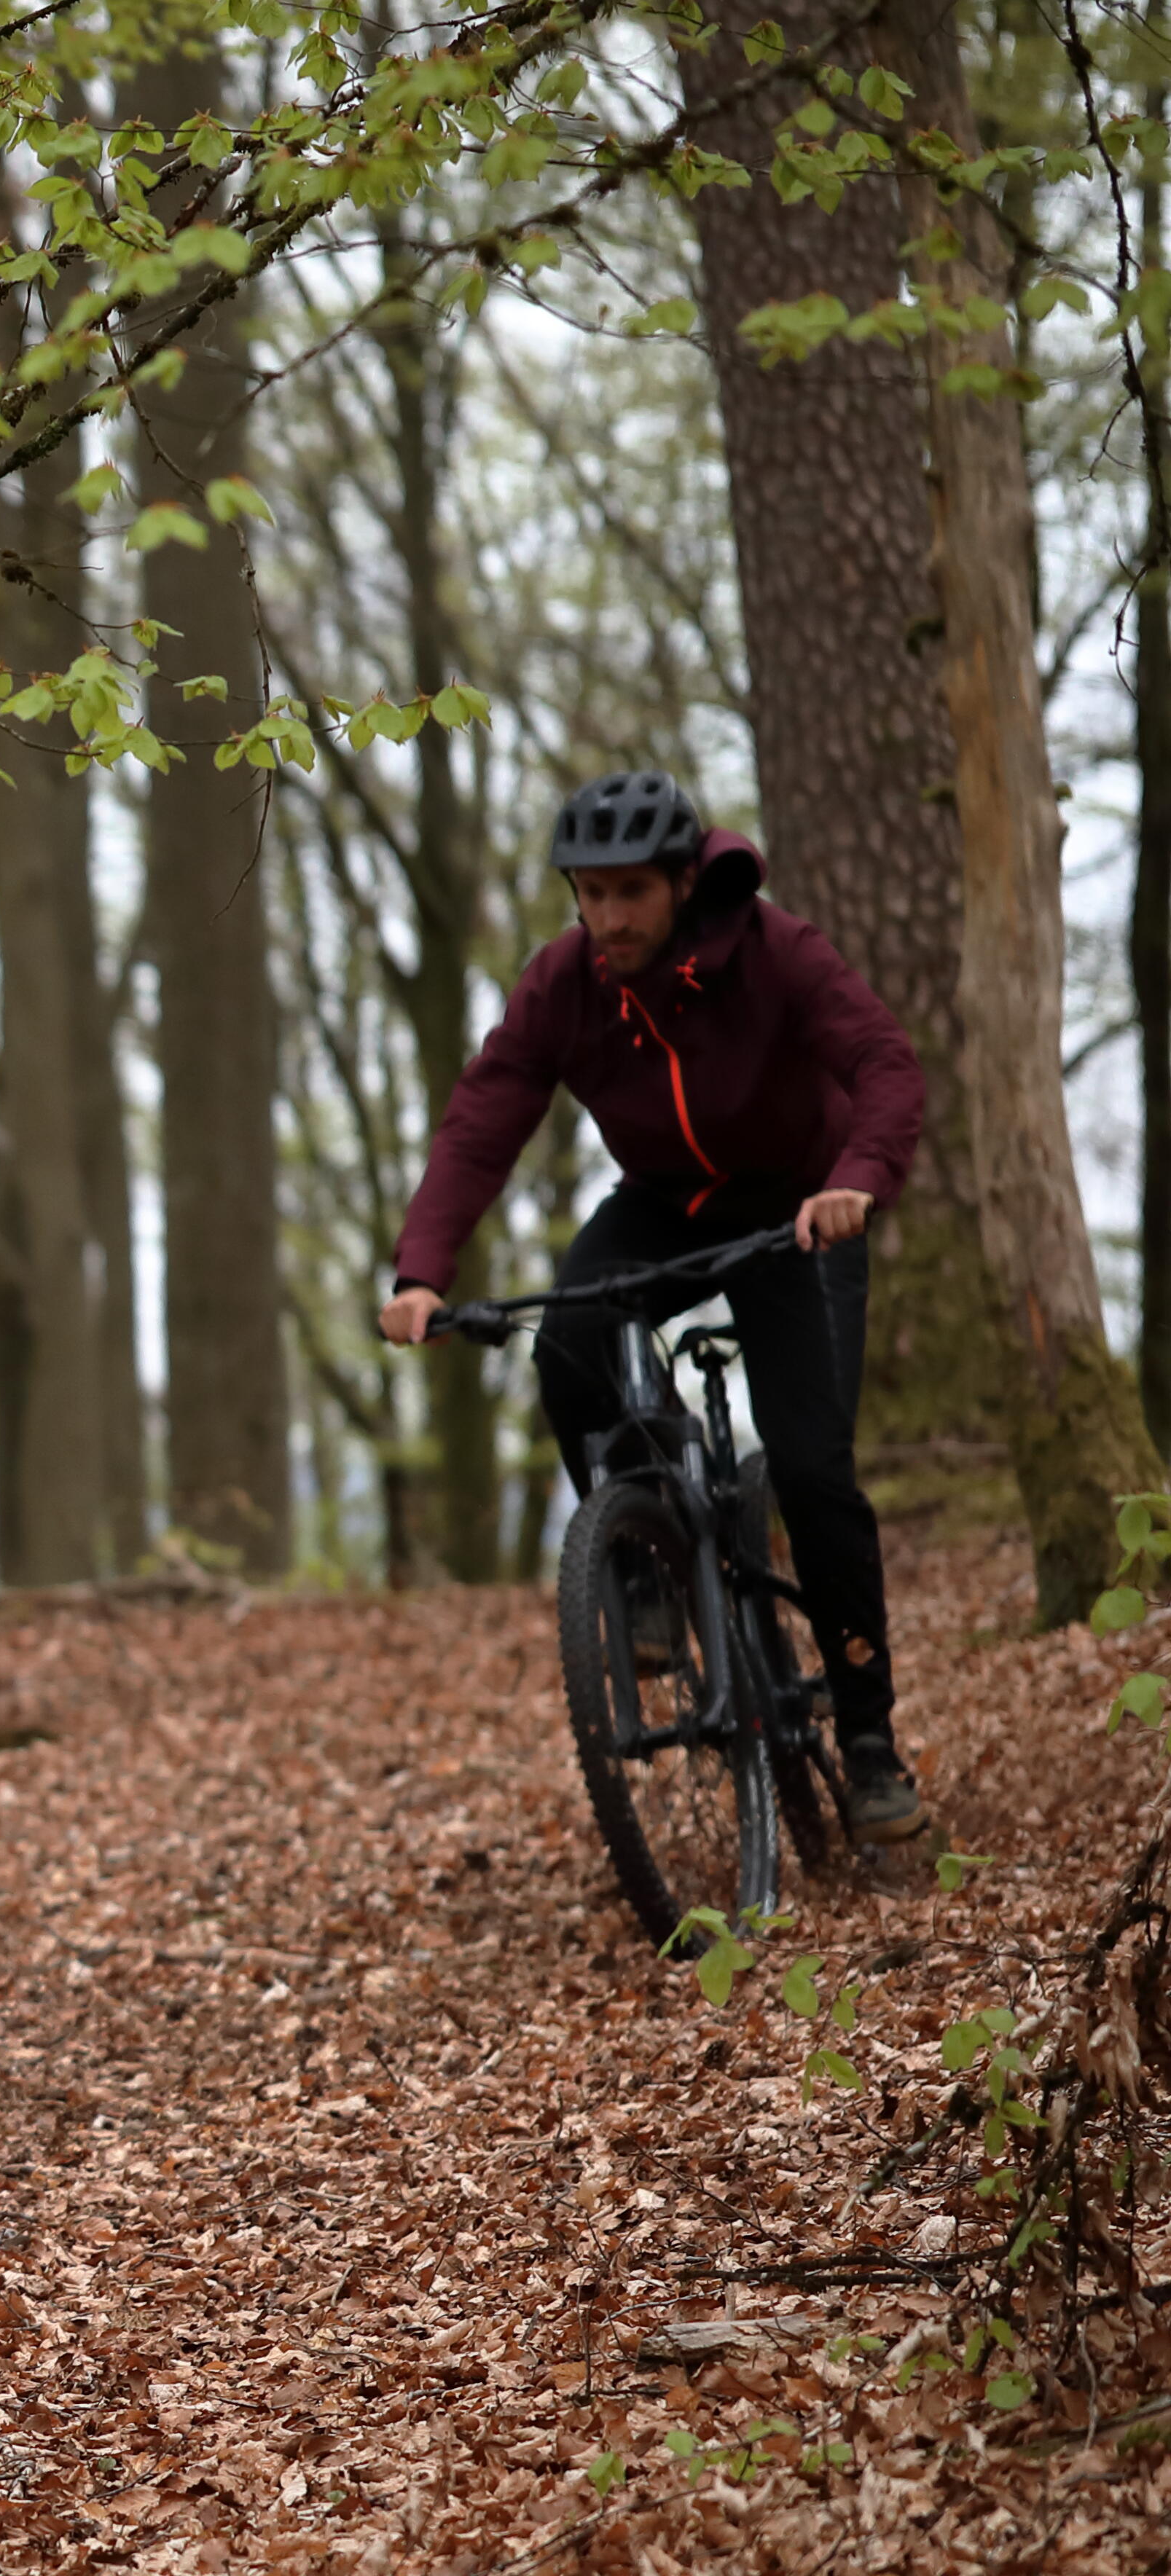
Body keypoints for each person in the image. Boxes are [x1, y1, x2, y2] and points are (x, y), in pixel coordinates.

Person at [380, 767, 928, 1842]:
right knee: (569, 1352)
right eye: (588, 894)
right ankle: (644, 1562)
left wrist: (856, 1178)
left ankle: (869, 1749)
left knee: (815, 1475)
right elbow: (486, 1115)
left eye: (629, 891)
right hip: (665, 1207)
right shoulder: (563, 985)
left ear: (682, 881)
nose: (607, 917)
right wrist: (421, 1270)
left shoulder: (774, 953)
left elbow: (883, 1062)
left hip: (794, 1212)